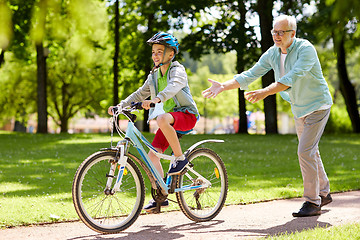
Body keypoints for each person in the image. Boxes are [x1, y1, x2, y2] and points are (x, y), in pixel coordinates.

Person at [202, 15, 333, 217]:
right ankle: (323, 193)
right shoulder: (273, 53)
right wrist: (223, 86)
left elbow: (292, 78)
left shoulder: (305, 49)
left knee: (305, 151)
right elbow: (250, 74)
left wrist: (264, 92)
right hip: (299, 108)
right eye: (274, 31)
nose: (276, 36)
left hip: (318, 105)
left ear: (293, 34)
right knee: (310, 151)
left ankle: (312, 202)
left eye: (281, 32)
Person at [108, 32, 199, 211]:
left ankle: (180, 159)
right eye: (153, 52)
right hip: (169, 122)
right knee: (152, 156)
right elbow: (140, 93)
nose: (155, 55)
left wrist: (156, 99)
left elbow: (174, 86)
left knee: (161, 118)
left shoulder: (177, 69)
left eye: (159, 51)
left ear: (170, 54)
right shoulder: (154, 75)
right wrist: (121, 105)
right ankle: (162, 196)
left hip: (186, 115)